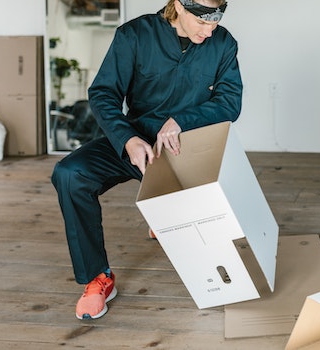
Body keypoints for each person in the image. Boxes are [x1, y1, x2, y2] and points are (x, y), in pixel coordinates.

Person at [51, 0, 242, 320]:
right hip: (135, 142)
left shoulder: (223, 43)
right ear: (179, 5)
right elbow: (103, 94)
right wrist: (128, 140)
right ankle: (98, 277)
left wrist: (182, 120)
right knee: (70, 174)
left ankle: (163, 212)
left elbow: (229, 103)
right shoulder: (134, 36)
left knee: (208, 227)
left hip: (184, 149)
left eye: (215, 22)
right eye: (202, 22)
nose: (210, 32)